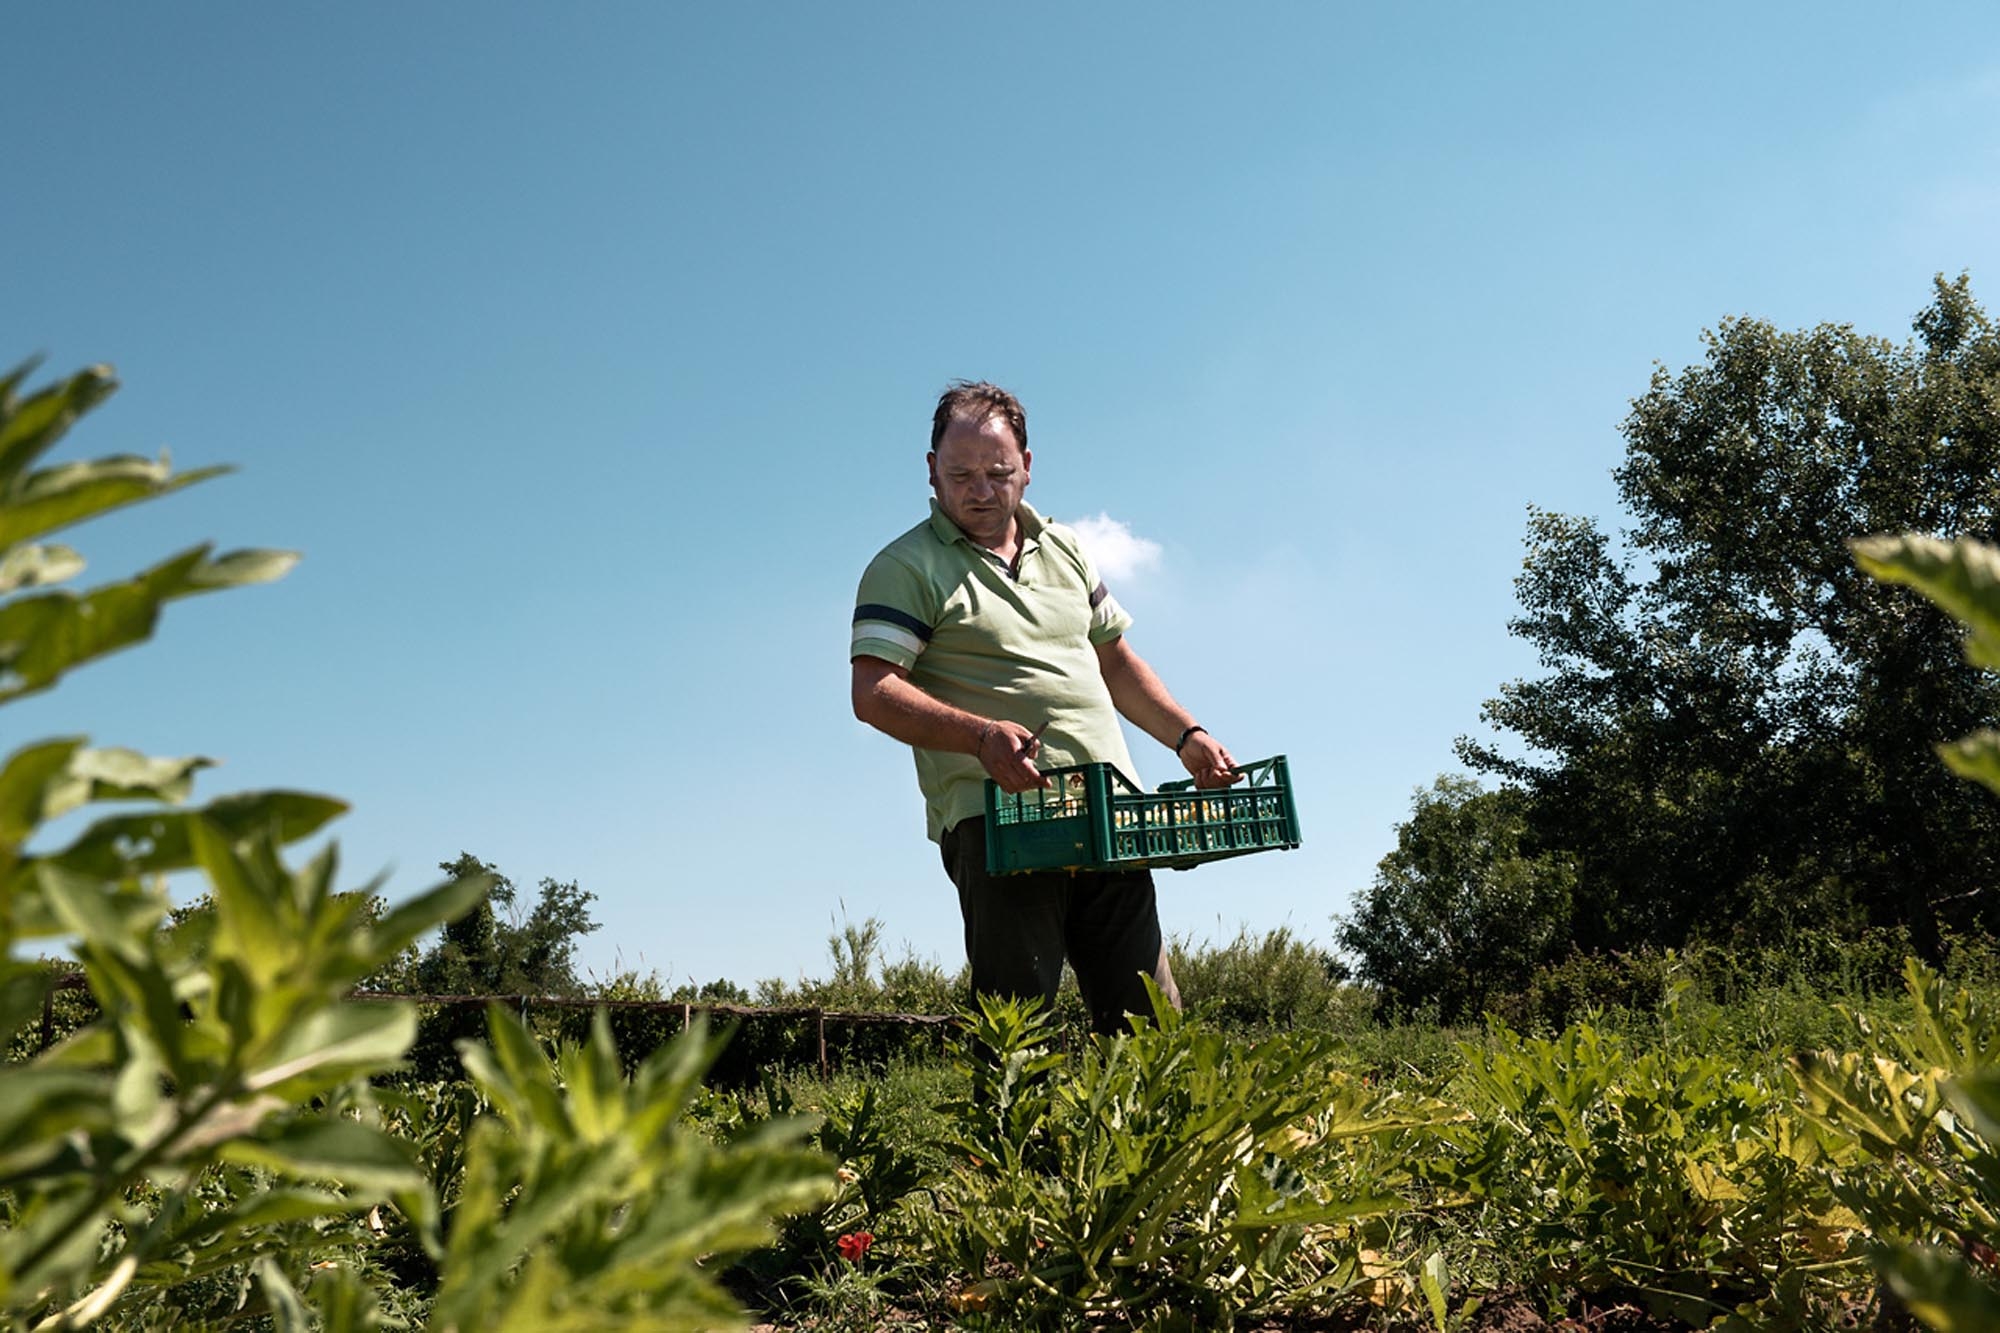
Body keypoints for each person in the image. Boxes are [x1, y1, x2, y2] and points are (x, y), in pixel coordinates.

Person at [849, 381, 1241, 1034]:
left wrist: (1186, 735)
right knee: (1017, 1030)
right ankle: (1011, 1142)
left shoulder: (1066, 549)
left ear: (1027, 465)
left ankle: (1160, 1140)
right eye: (961, 473)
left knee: (1151, 1024)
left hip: (1109, 813)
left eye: (998, 472)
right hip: (1000, 819)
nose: (980, 489)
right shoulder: (905, 567)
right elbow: (874, 691)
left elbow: (1115, 661)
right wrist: (979, 738)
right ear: (931, 471)